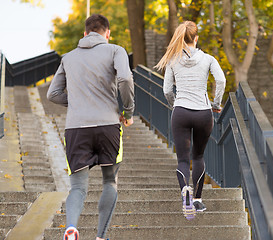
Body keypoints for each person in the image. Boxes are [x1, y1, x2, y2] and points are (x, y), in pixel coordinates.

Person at [47, 14, 135, 240]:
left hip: (76, 128)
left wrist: (78, 102)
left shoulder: (68, 57)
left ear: (85, 34)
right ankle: (100, 236)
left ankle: (71, 229)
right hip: (108, 125)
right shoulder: (116, 50)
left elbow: (53, 94)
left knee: (77, 187)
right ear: (107, 33)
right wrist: (128, 111)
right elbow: (125, 79)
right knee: (109, 181)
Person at [155, 21, 226, 220]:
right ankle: (197, 200)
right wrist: (216, 103)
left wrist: (175, 104)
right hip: (203, 112)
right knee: (199, 157)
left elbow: (167, 90)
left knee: (183, 159)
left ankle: (185, 189)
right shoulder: (208, 59)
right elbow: (221, 81)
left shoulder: (172, 59)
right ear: (196, 38)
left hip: (181, 112)